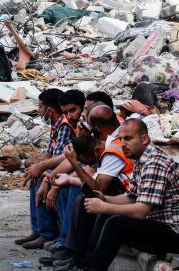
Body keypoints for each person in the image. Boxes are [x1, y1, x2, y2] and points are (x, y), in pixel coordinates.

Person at [78, 119, 179, 271]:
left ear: (144, 139)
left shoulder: (155, 163)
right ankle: (87, 264)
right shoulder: (141, 160)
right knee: (105, 215)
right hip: (158, 226)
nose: (122, 144)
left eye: (128, 138)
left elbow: (140, 211)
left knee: (115, 224)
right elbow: (131, 197)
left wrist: (105, 206)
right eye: (120, 139)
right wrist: (105, 199)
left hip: (177, 236)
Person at [39, 104, 128, 267]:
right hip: (122, 193)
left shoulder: (113, 149)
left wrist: (73, 162)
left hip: (126, 195)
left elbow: (96, 188)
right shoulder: (109, 142)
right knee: (83, 199)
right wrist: (66, 179)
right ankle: (76, 256)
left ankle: (82, 259)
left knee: (89, 202)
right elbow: (94, 179)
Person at [13, 90, 84, 249]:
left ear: (49, 110)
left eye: (40, 106)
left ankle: (48, 233)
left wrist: (44, 173)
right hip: (67, 165)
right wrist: (27, 164)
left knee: (42, 178)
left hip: (72, 168)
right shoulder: (56, 125)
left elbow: (61, 158)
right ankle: (38, 230)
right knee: (35, 174)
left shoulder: (65, 126)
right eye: (66, 112)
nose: (38, 110)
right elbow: (49, 155)